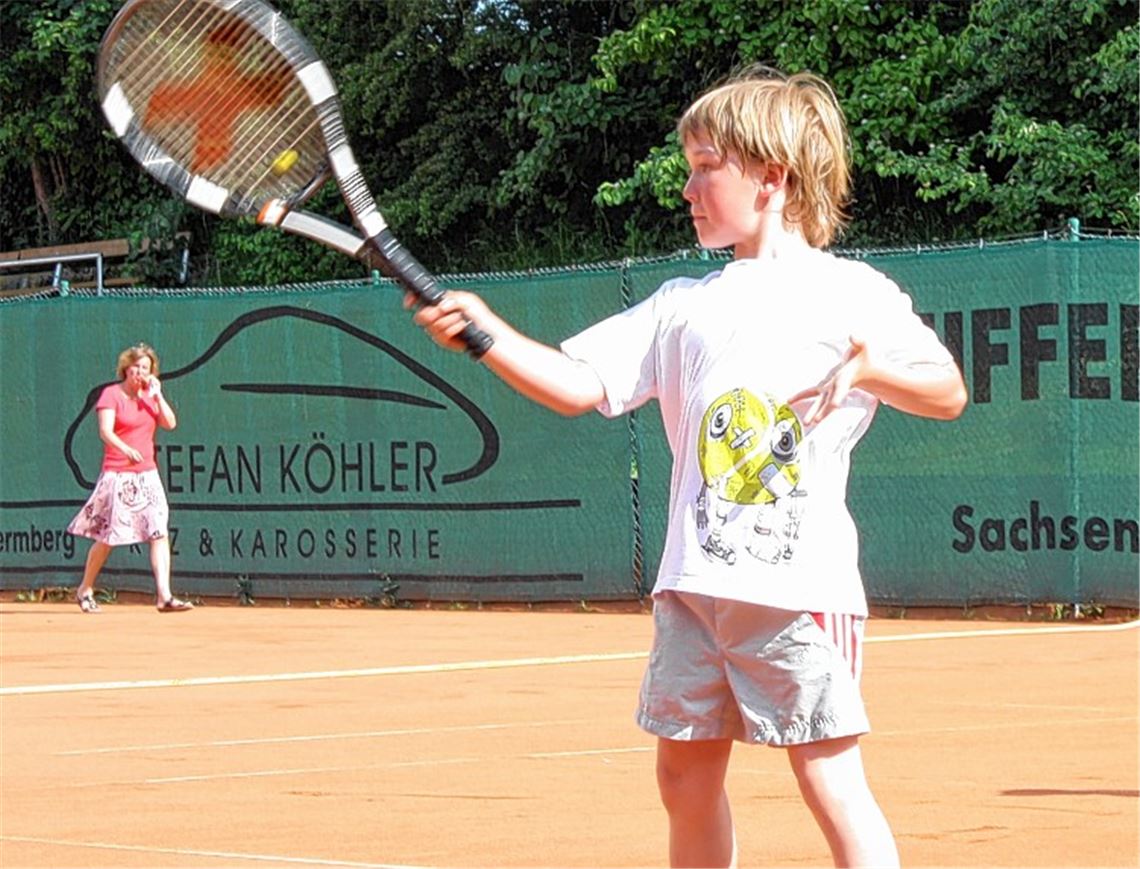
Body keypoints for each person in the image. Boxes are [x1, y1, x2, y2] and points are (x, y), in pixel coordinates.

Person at [408, 66, 967, 868]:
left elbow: (947, 391)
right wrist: (486, 334)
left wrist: (873, 370)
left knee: (829, 779)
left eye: (706, 167)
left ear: (771, 177)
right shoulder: (682, 303)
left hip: (797, 592)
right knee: (682, 777)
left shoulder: (853, 293)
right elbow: (579, 384)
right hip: (692, 590)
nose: (688, 188)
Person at [68, 342, 193, 614]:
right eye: (136, 366)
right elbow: (106, 431)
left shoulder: (150, 397)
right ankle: (85, 588)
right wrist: (125, 449)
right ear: (126, 368)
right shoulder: (111, 395)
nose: (140, 372)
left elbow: (170, 423)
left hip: (148, 475)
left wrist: (158, 396)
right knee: (109, 537)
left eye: (146, 368)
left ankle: (164, 596)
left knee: (159, 531)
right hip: (117, 474)